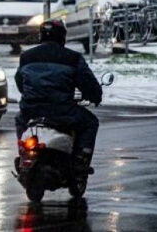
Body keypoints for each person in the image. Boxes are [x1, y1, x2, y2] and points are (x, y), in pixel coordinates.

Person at [14, 19, 102, 172]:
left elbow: (20, 82)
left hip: (31, 109)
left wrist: (31, 94)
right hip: (62, 111)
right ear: (62, 37)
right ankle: (80, 161)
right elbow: (87, 83)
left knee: (20, 120)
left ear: (41, 36)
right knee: (90, 122)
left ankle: (23, 153)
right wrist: (95, 96)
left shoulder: (26, 57)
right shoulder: (72, 58)